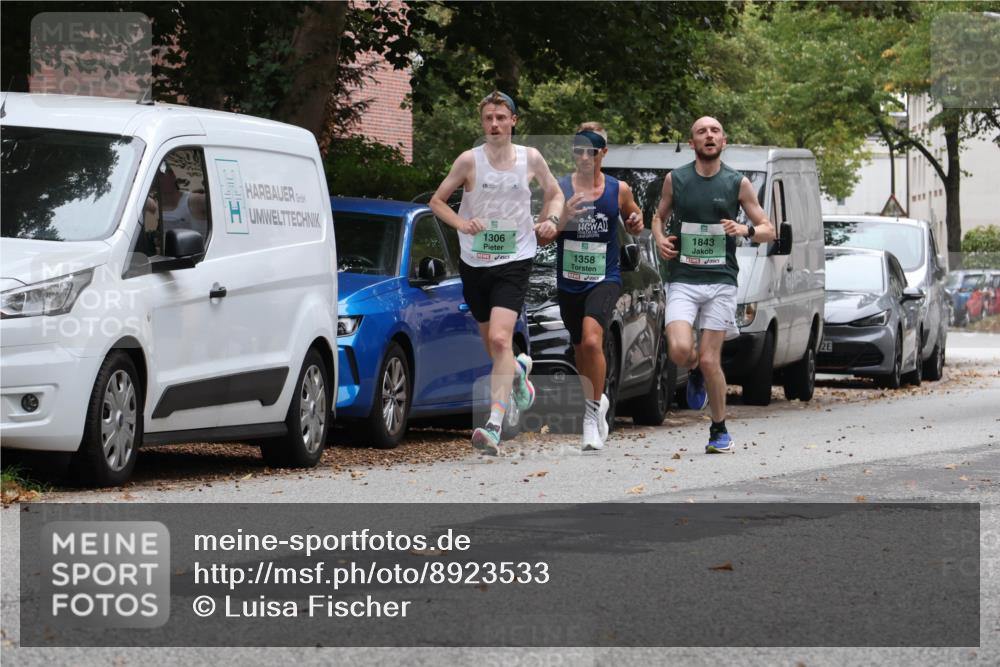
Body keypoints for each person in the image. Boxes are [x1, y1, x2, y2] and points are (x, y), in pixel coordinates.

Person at [430, 91, 565, 455]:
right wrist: (462, 222)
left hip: (515, 259)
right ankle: (519, 374)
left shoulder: (530, 159)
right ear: (482, 122)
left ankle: (493, 423)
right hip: (475, 262)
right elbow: (437, 201)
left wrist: (550, 219)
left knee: (503, 341)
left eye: (501, 118)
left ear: (513, 121)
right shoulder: (468, 161)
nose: (494, 124)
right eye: (488, 118)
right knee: (494, 346)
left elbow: (555, 194)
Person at [651, 116, 775, 453]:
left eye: (715, 130)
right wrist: (660, 239)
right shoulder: (676, 180)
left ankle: (719, 430)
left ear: (724, 140)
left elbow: (768, 228)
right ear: (692, 143)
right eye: (701, 132)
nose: (709, 135)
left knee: (710, 360)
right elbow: (659, 216)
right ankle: (692, 369)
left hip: (721, 281)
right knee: (678, 349)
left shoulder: (738, 183)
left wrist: (745, 230)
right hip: (684, 279)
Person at [550, 123, 644, 450]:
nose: (585, 156)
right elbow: (543, 234)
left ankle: (591, 416)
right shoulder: (560, 188)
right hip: (569, 281)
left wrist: (635, 221)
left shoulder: (619, 189)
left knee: (592, 341)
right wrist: (562, 219)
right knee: (580, 348)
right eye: (579, 150)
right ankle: (597, 400)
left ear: (603, 152)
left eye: (593, 150)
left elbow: (635, 218)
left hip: (605, 277)